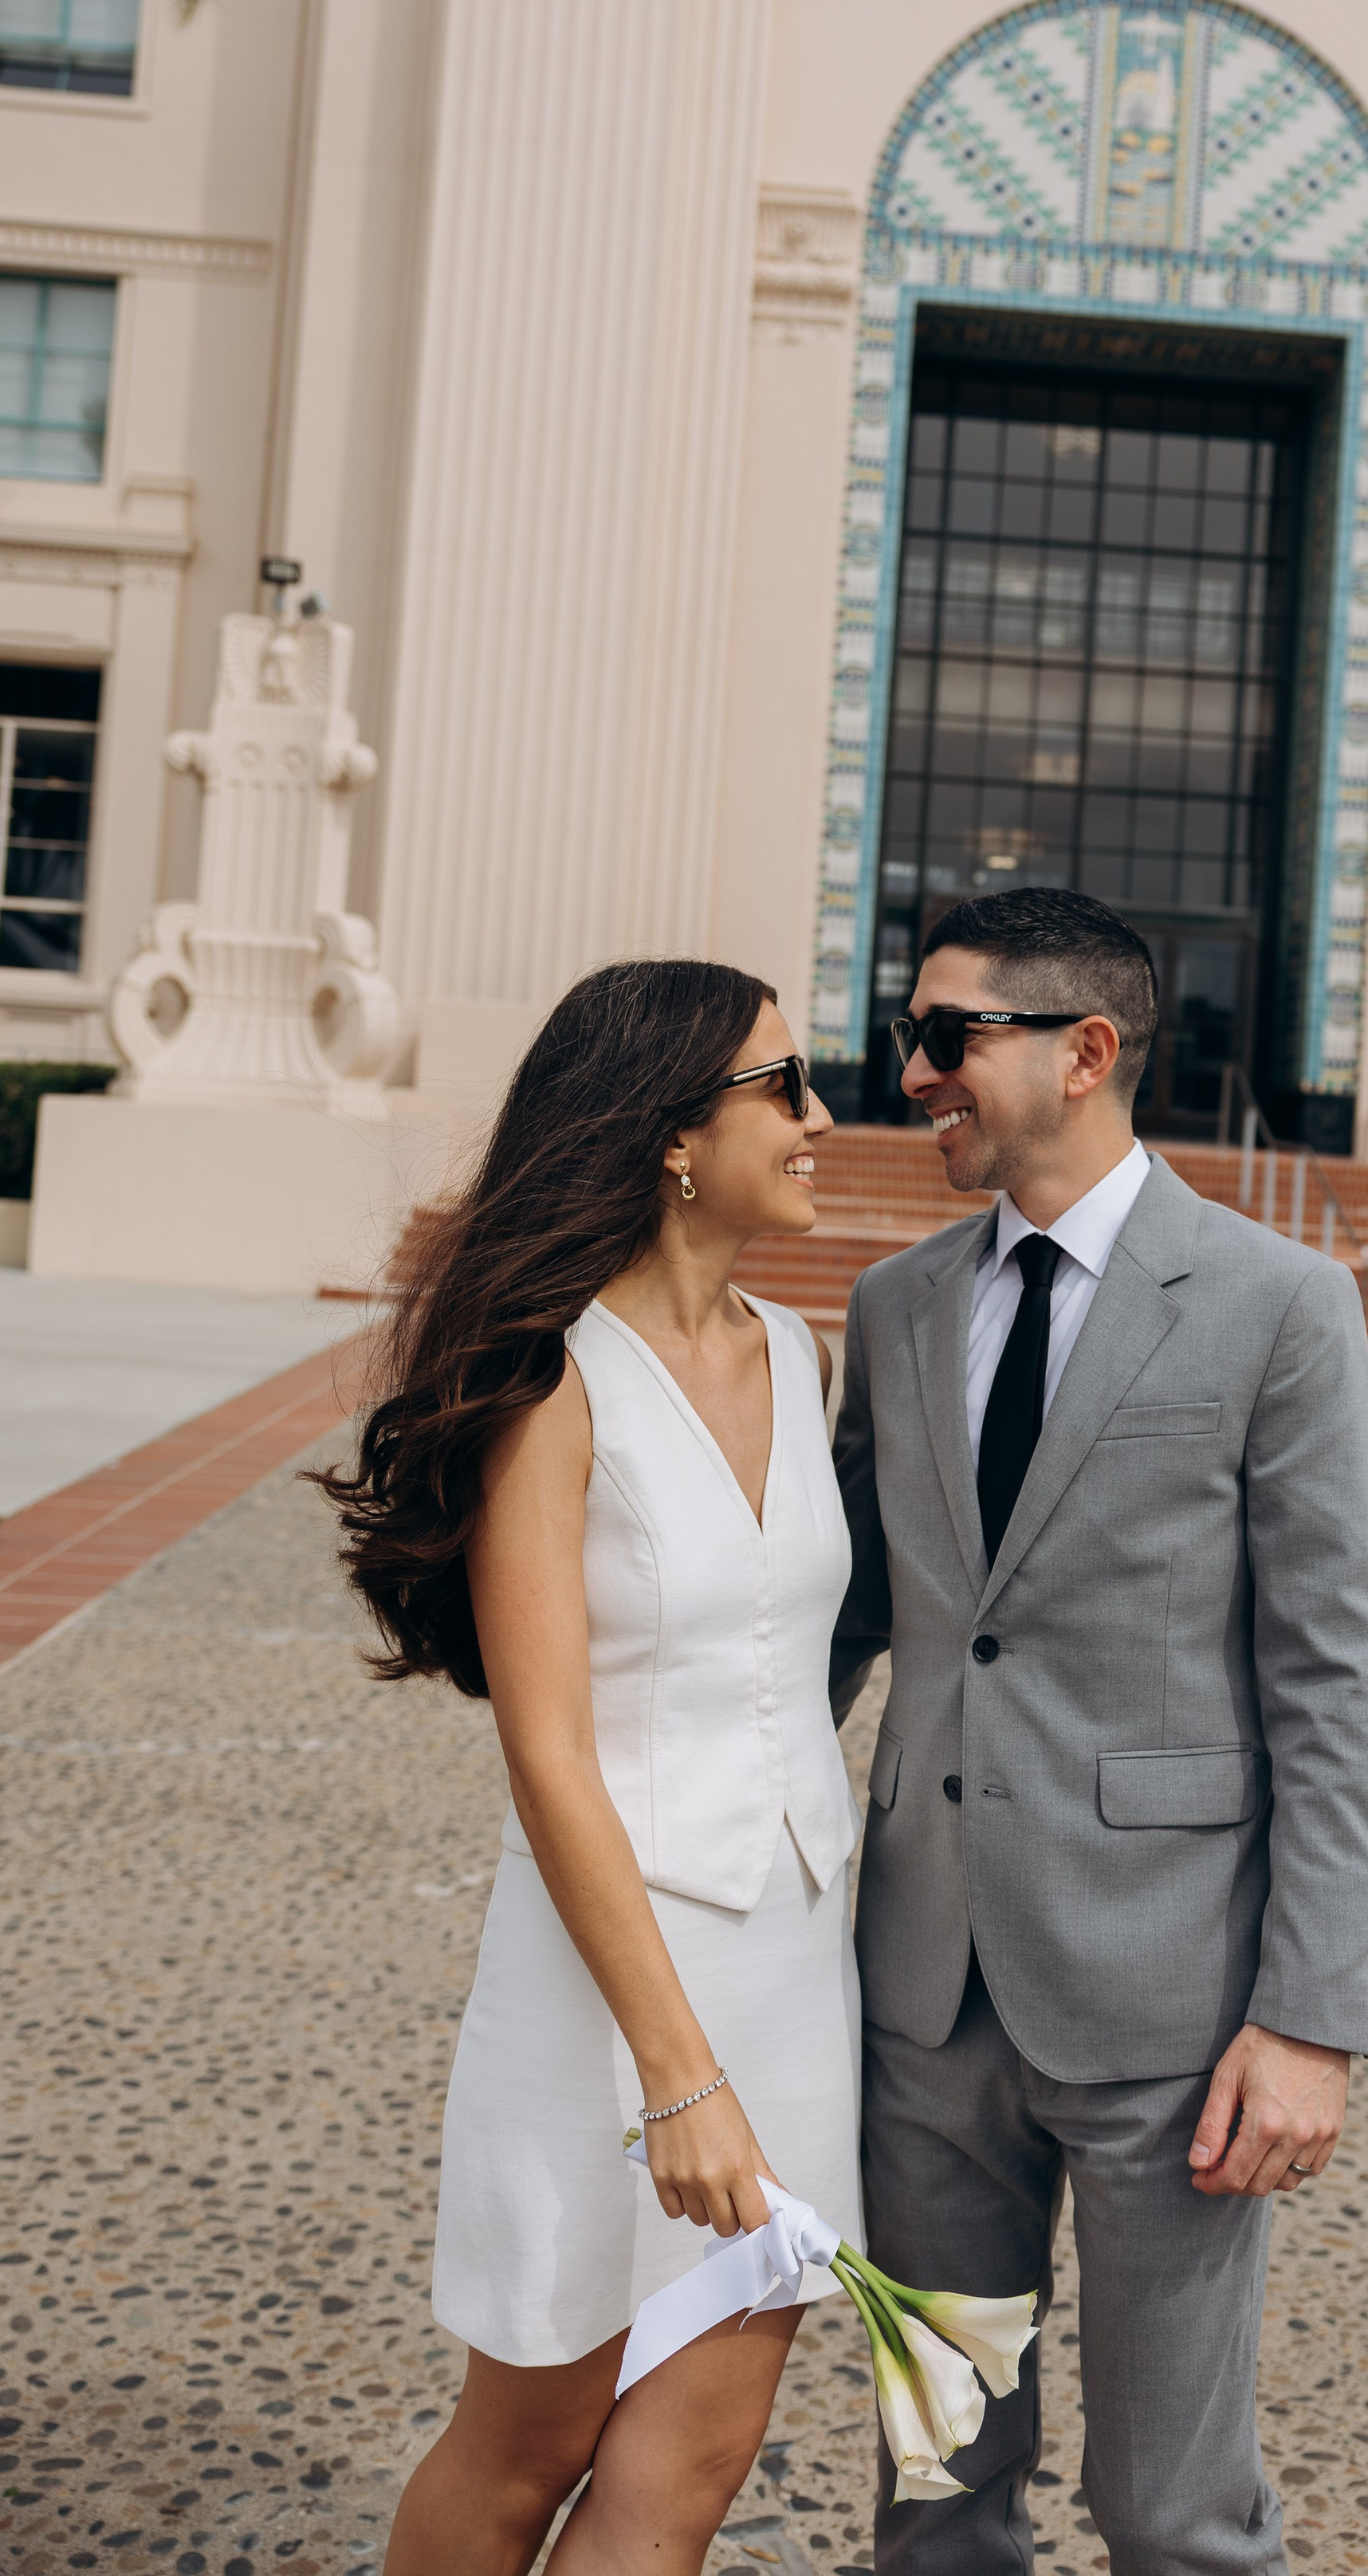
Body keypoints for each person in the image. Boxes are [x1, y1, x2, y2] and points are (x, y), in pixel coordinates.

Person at [831, 886, 1368, 2576]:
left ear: (1082, 1053)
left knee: (1171, 2511)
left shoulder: (1273, 1302)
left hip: (1172, 2011)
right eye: (907, 1037)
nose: (913, 1073)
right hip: (924, 2005)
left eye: (945, 1038)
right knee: (936, 2494)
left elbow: (1332, 1673)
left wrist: (1309, 2016)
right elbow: (843, 1623)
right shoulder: (892, 1305)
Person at [318, 960, 860, 2576]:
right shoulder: (547, 1380)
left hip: (790, 1961)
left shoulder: (801, 1352)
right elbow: (549, 1755)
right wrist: (679, 2077)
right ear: (672, 1135)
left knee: (689, 2468)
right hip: (603, 1988)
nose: (822, 1116)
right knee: (529, 2442)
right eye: (786, 1083)